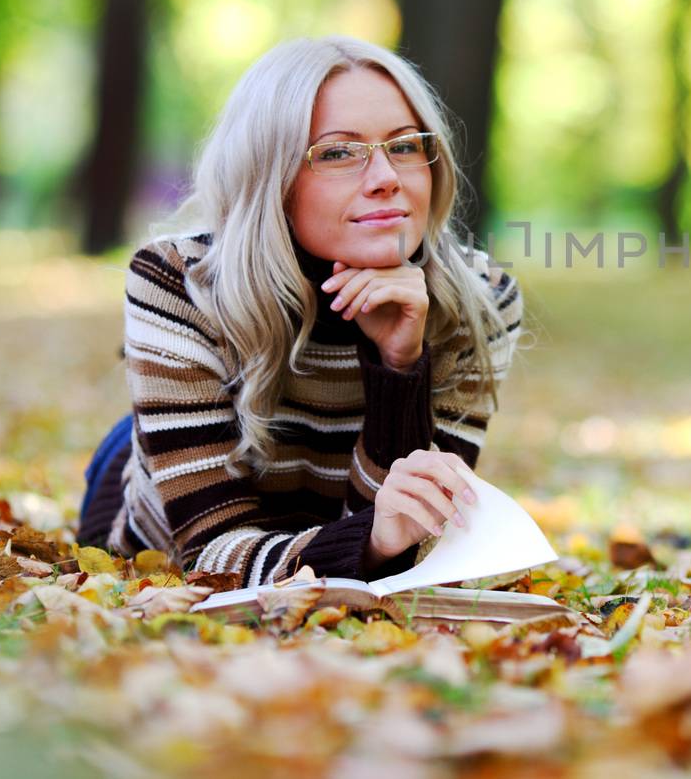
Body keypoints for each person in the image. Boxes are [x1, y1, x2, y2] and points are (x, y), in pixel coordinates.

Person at [75, 36, 525, 587]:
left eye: (406, 146)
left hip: (312, 521)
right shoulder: (179, 282)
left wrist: (399, 366)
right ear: (273, 179)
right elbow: (212, 553)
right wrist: (372, 542)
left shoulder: (481, 300)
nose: (386, 177)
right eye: (338, 152)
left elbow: (411, 547)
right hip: (162, 507)